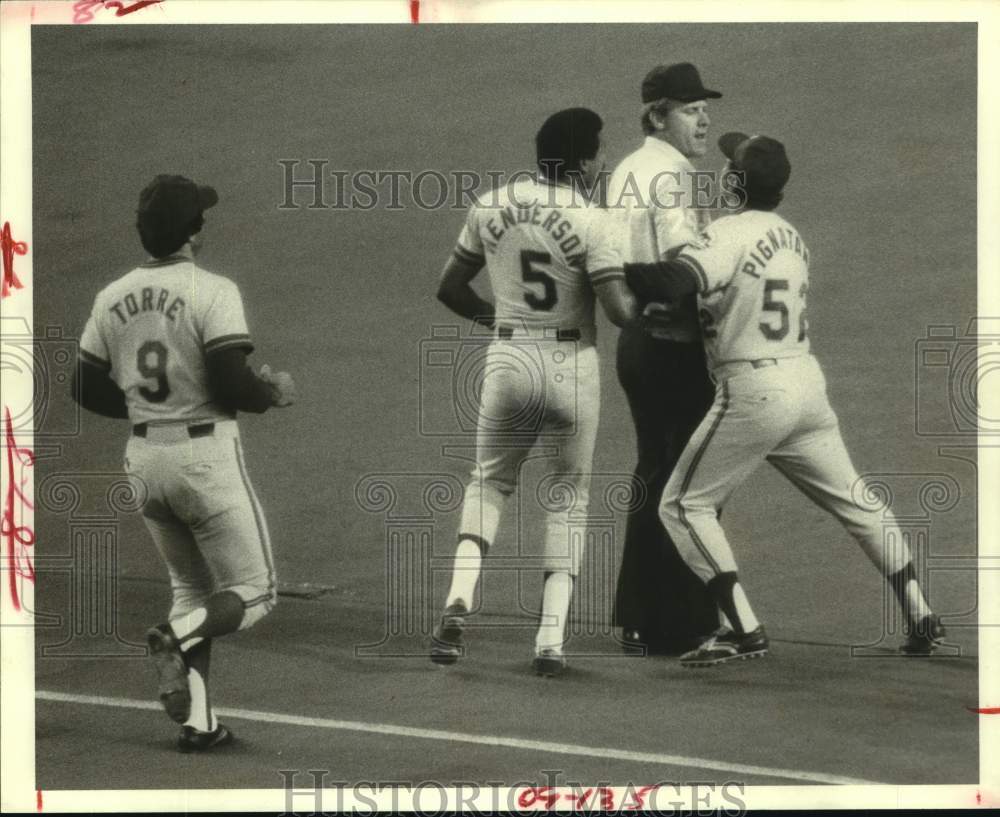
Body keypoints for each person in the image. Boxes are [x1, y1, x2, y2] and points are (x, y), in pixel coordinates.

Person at [624, 133, 946, 667]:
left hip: (754, 392)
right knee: (857, 501)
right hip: (805, 387)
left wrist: (611, 260)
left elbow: (671, 279)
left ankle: (742, 629)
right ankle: (920, 612)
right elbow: (737, 303)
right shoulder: (792, 237)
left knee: (682, 505)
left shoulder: (727, 233)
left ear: (732, 182)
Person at [72, 175, 297, 749]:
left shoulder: (111, 295)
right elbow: (228, 376)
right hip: (204, 458)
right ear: (195, 231)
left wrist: (144, 406)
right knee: (255, 591)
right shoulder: (212, 289)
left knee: (191, 586)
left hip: (144, 459)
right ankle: (175, 635)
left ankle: (199, 724)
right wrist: (267, 392)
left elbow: (82, 384)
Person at [431, 108, 637, 676]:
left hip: (508, 355)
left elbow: (450, 288)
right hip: (572, 361)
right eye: (599, 152)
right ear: (578, 161)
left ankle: (459, 600)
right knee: (568, 496)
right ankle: (549, 640)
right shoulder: (596, 219)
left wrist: (496, 318)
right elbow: (619, 311)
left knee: (489, 482)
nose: (604, 162)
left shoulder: (490, 204)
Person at [608, 63, 721, 654]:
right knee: (689, 483)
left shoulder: (626, 169)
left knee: (653, 471)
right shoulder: (676, 176)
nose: (703, 117)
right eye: (689, 108)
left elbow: (610, 261)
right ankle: (687, 619)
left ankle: (639, 615)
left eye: (705, 107)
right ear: (657, 115)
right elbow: (684, 264)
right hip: (676, 346)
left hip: (637, 345)